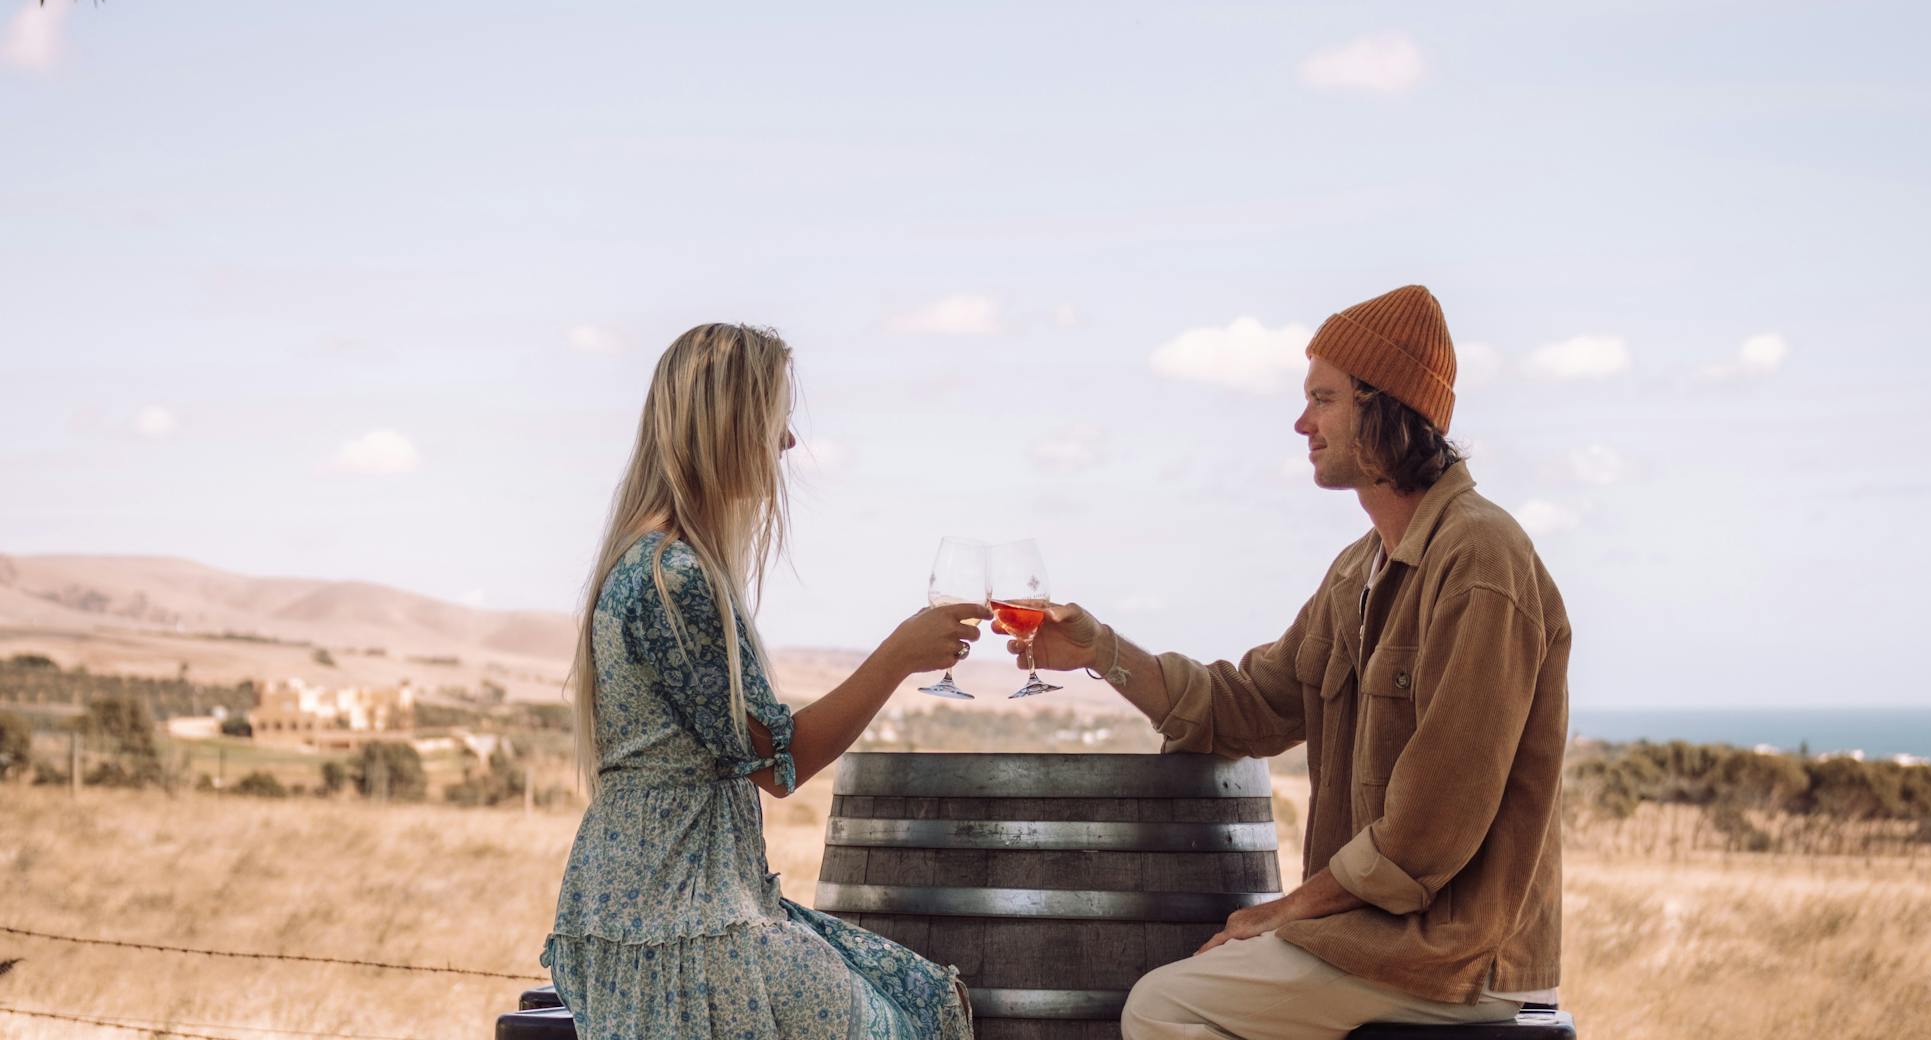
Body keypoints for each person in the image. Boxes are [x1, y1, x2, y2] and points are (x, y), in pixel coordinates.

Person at [1009, 286, 1571, 1039]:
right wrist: (1100, 653)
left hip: (1454, 958)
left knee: (1162, 1007)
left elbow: (1431, 827)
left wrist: (1280, 912)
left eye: (1323, 399)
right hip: (1373, 946)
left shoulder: (1479, 559)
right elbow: (1246, 706)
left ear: (1387, 406)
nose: (1302, 423)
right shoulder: (1355, 573)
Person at [542, 322, 983, 1040]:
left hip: (654, 904)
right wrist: (898, 656)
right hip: (684, 920)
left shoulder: (650, 562)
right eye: (775, 417)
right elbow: (779, 764)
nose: (788, 442)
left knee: (924, 994)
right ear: (728, 425)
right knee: (915, 1018)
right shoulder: (674, 577)